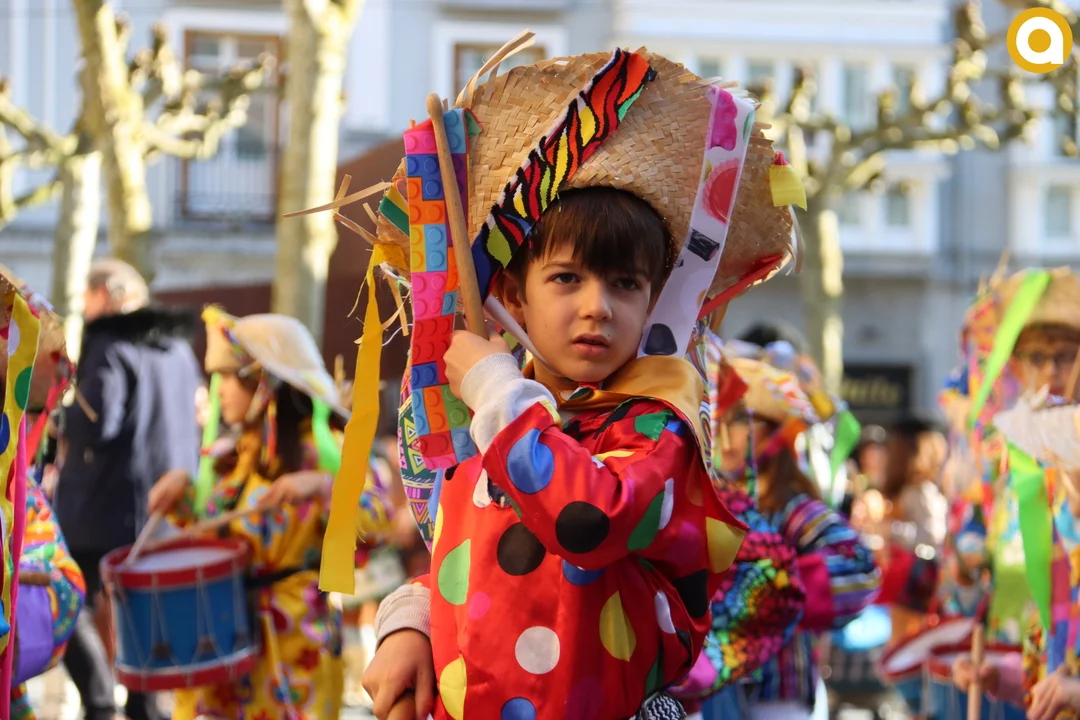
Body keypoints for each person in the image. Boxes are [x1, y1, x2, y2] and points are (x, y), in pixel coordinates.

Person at [355, 45, 799, 720]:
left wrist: (499, 391)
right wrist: (410, 622)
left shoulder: (657, 424)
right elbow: (480, 555)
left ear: (651, 303)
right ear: (513, 296)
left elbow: (586, 519)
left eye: (625, 284)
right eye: (566, 278)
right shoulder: (509, 419)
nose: (598, 307)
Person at [148, 309, 395, 719]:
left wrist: (324, 487)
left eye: (229, 377)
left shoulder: (324, 447)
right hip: (225, 638)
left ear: (264, 382)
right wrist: (182, 495)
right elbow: (214, 533)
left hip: (294, 647)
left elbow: (379, 522)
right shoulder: (234, 454)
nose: (219, 392)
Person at [54, 259, 201, 720]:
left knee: (64, 594)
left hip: (103, 506)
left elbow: (97, 421)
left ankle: (100, 702)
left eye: (85, 298)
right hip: (167, 507)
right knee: (145, 615)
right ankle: (144, 708)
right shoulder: (179, 347)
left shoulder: (110, 344)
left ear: (103, 295)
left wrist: (60, 416)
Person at [713, 356, 880, 720]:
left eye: (740, 420)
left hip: (775, 696)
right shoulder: (705, 502)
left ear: (775, 432)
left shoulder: (792, 510)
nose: (722, 433)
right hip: (709, 691)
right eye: (716, 418)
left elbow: (860, 570)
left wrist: (763, 590)